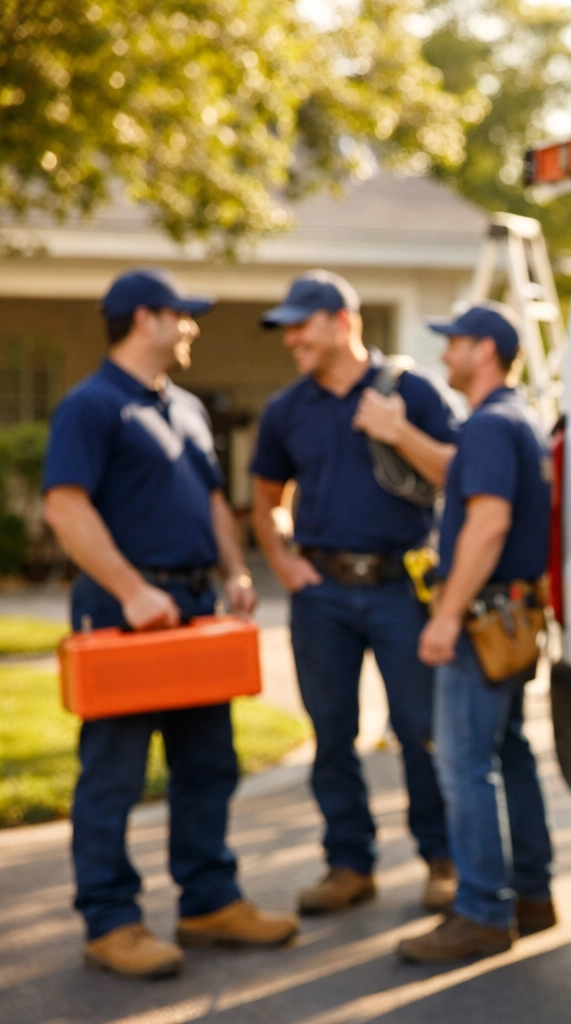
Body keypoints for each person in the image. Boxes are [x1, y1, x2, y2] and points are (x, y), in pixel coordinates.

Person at [41, 268, 299, 979]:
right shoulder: (91, 406)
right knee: (114, 773)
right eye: (182, 316)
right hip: (126, 613)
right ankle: (111, 919)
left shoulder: (183, 407)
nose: (191, 328)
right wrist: (130, 590)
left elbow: (214, 502)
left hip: (193, 609)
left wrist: (234, 573)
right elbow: (66, 508)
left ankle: (209, 901)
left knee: (208, 763)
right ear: (145, 318)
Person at [249, 270, 460, 916]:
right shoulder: (286, 410)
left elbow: (459, 474)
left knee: (421, 730)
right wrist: (286, 568)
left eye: (301, 326)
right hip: (323, 597)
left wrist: (397, 431)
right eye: (286, 329)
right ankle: (348, 865)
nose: (292, 340)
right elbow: (263, 502)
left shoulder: (411, 393)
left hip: (402, 589)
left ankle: (443, 859)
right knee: (331, 733)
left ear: (342, 321)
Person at [396, 302, 556, 963]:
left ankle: (483, 912)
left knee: (464, 764)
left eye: (453, 343)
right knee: (508, 752)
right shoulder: (519, 420)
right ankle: (531, 895)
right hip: (510, 619)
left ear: (484, 350)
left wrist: (442, 616)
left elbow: (487, 527)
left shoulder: (489, 427)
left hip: (480, 618)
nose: (444, 355)